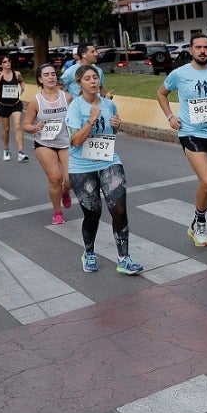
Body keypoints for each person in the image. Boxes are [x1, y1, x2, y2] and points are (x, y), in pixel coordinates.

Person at [65, 64, 144, 275]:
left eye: (95, 77)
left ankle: (124, 258)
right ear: (79, 83)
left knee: (119, 209)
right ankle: (89, 252)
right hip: (82, 166)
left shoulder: (109, 104)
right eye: (88, 78)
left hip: (109, 161)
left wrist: (118, 125)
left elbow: (111, 133)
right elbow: (75, 141)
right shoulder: (75, 107)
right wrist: (91, 119)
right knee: (93, 213)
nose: (93, 81)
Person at [158, 34, 207, 247]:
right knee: (206, 179)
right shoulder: (179, 74)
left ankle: (196, 219)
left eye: (206, 47)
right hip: (190, 132)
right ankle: (202, 223)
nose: (203, 51)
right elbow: (161, 94)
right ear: (190, 50)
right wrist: (171, 116)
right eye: (198, 47)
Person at [22, 63, 72, 225]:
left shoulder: (67, 97)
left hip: (65, 142)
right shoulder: (36, 101)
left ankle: (65, 191)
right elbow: (26, 125)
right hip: (44, 143)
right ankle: (57, 212)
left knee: (71, 179)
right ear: (40, 79)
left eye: (53, 74)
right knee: (55, 178)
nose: (51, 77)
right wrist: (35, 127)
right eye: (46, 75)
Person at [0, 54, 29, 161]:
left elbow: (22, 81)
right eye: (4, 62)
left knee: (17, 126)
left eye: (8, 61)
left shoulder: (16, 74)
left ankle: (21, 152)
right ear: (0, 65)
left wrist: (23, 88)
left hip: (16, 103)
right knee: (6, 129)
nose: (8, 63)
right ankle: (6, 149)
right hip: (3, 105)